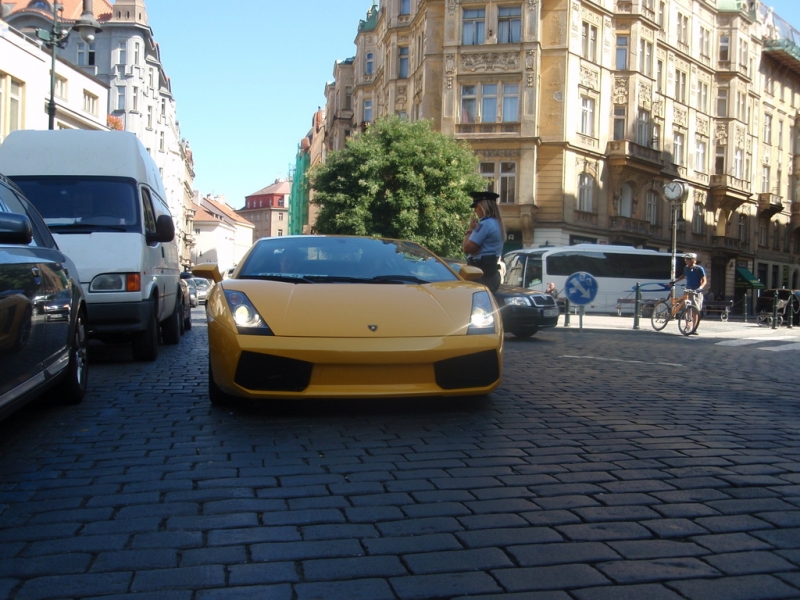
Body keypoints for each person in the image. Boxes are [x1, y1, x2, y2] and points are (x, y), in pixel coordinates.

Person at [463, 190, 505, 292]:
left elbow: (466, 248)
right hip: (490, 272)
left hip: (480, 274)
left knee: (478, 306)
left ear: (483, 207)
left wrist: (470, 230)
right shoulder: (496, 223)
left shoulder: (485, 224)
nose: (475, 210)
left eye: (476, 206)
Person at [673, 252, 707, 333]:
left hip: (696, 291)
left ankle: (694, 328)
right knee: (687, 309)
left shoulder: (699, 269)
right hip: (687, 290)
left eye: (687, 259)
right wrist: (674, 281)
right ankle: (687, 326)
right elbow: (683, 276)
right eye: (685, 259)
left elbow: (704, 281)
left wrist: (700, 288)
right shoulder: (686, 268)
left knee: (695, 310)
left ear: (693, 260)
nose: (685, 261)